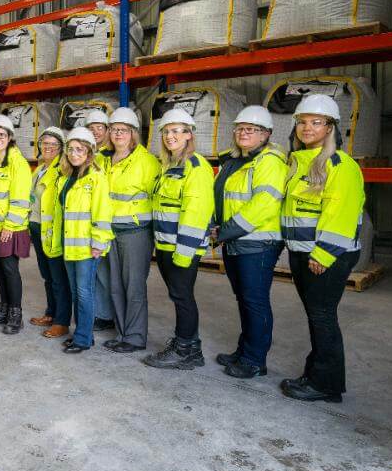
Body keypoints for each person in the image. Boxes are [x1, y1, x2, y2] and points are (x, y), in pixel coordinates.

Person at [280, 94, 364, 404]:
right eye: (302, 122)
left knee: (323, 317)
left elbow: (340, 212)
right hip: (303, 251)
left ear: (330, 128)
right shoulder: (300, 163)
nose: (307, 128)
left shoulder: (340, 165)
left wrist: (324, 253)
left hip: (325, 256)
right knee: (317, 316)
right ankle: (316, 375)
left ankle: (326, 385)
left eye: (316, 122)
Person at [211, 106, 287, 379]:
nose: (244, 133)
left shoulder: (270, 162)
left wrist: (226, 231)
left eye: (252, 129)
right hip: (236, 241)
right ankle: (245, 350)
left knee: (255, 301)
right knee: (244, 298)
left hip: (258, 243)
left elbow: (263, 205)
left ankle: (255, 360)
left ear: (266, 134)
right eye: (240, 128)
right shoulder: (235, 161)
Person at [145, 108, 215, 370]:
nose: (170, 136)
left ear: (189, 135)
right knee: (178, 296)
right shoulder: (169, 166)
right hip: (165, 244)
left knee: (183, 297)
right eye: (166, 131)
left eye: (176, 131)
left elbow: (195, 213)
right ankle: (188, 346)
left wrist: (184, 253)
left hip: (181, 247)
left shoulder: (195, 167)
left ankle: (185, 349)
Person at [99, 107, 159, 354]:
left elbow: (156, 199)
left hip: (135, 232)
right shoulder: (103, 159)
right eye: (114, 129)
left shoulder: (147, 162)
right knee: (114, 285)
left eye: (123, 130)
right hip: (109, 231)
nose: (118, 134)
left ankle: (134, 337)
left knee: (134, 286)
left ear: (134, 133)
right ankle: (123, 331)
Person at [52, 126, 113, 353]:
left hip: (87, 247)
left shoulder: (96, 178)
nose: (74, 153)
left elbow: (103, 213)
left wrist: (98, 242)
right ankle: (83, 333)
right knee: (77, 292)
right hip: (69, 245)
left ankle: (83, 339)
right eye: (71, 149)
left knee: (84, 292)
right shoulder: (68, 177)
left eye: (80, 149)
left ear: (89, 152)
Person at [0, 114, 32, 334]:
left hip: (8, 228)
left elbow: (21, 198)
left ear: (10, 137)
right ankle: (3, 307)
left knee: (10, 270)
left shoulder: (18, 163)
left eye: (2, 134)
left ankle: (15, 313)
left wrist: (9, 225)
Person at [28, 127, 70, 338]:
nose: (48, 147)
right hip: (37, 226)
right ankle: (51, 313)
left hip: (52, 230)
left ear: (61, 148)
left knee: (57, 277)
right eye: (45, 143)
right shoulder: (40, 169)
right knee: (47, 275)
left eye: (53, 144)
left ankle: (62, 321)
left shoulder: (62, 169)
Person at [86, 108, 116, 333]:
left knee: (106, 273)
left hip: (109, 223)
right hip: (88, 223)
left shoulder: (110, 156)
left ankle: (107, 315)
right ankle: (98, 312)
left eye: (100, 128)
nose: (96, 132)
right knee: (94, 273)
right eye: (91, 128)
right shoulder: (87, 154)